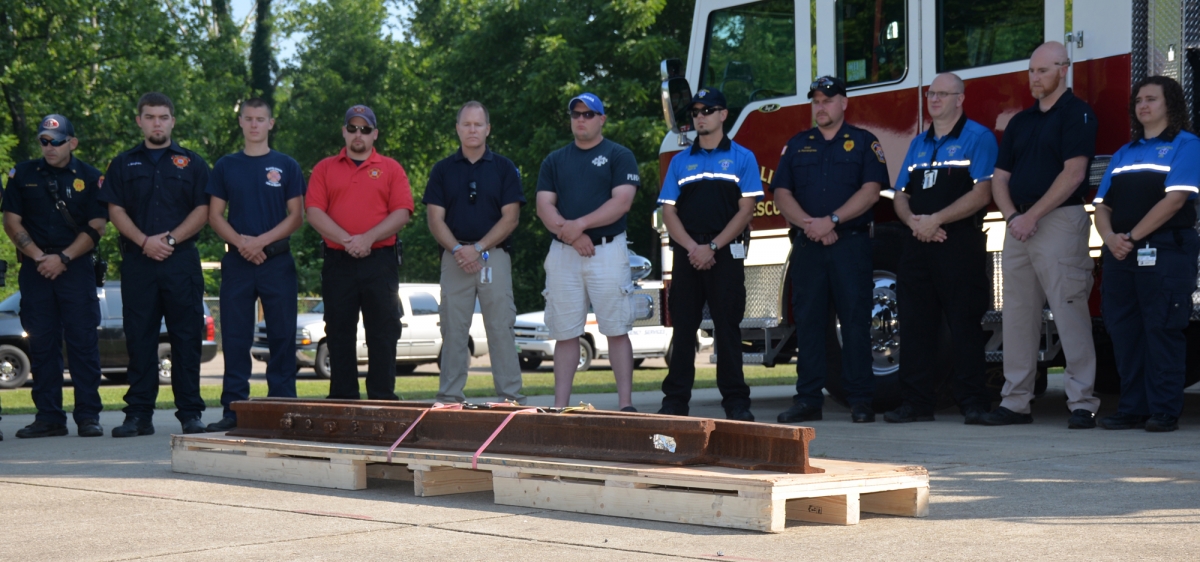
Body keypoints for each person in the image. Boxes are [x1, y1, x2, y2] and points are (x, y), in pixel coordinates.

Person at [986, 42, 1100, 428]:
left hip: (1059, 223)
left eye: (1043, 71)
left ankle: (1082, 403)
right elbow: (1000, 179)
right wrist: (1014, 216)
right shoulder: (1020, 122)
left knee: (1070, 312)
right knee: (1017, 316)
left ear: (1063, 70)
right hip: (1018, 226)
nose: (1035, 78)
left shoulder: (1078, 114)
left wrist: (1031, 215)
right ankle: (1015, 402)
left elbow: (1073, 174)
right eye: (1031, 71)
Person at [770, 76, 889, 424]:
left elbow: (871, 191)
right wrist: (812, 224)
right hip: (808, 245)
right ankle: (808, 399)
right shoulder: (797, 145)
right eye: (816, 101)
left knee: (854, 322)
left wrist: (832, 220)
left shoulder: (865, 142)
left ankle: (861, 400)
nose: (820, 107)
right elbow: (781, 194)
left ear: (843, 103)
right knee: (809, 324)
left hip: (850, 244)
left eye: (827, 100)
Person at [885, 73, 997, 424]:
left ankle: (973, 403)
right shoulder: (918, 143)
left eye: (942, 94)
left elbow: (982, 193)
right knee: (916, 326)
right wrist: (915, 223)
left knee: (964, 325)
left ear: (960, 99)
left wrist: (937, 220)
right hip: (918, 243)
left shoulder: (978, 138)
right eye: (931, 94)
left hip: (959, 242)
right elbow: (901, 194)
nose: (934, 100)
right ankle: (916, 404)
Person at [100, 93, 211, 437]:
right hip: (138, 263)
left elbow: (203, 210)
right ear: (139, 121)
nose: (157, 123)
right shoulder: (122, 163)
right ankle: (138, 415)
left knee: (187, 339)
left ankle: (190, 413)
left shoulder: (192, 163)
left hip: (181, 264)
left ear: (173, 121)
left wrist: (170, 240)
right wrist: (145, 241)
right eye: (150, 117)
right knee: (140, 339)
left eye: (163, 117)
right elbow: (114, 210)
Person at [1093, 76, 1199, 433]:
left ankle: (1165, 410)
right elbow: (1103, 206)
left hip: (1166, 250)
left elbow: (1175, 200)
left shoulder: (1187, 145)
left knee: (1162, 329)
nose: (1143, 106)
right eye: (1138, 100)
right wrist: (1110, 239)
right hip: (1122, 255)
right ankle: (1132, 407)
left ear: (1170, 104)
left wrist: (1132, 237)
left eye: (1151, 99)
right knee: (1125, 332)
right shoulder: (1125, 153)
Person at [656, 88, 760, 421]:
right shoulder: (679, 161)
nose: (699, 116)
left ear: (723, 115)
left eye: (707, 110)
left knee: (728, 329)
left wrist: (713, 247)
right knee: (683, 329)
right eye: (695, 111)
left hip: (725, 254)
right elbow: (668, 212)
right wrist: (693, 248)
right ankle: (675, 401)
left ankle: (736, 403)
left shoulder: (743, 157)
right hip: (688, 255)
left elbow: (746, 210)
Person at [1, 114, 106, 438]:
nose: (49, 146)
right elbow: (11, 220)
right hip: (36, 269)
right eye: (44, 140)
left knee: (83, 344)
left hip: (75, 268)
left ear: (72, 143)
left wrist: (62, 258)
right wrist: (39, 257)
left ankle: (88, 416)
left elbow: (98, 225)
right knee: (43, 345)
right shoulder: (23, 174)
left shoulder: (89, 177)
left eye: (56, 141)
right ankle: (49, 417)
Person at [204, 98, 306, 432]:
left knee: (281, 335)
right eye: (248, 119)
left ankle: (282, 407)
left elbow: (297, 216)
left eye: (260, 119)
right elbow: (214, 214)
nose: (254, 124)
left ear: (271, 123)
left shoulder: (286, 165)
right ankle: (234, 408)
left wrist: (259, 242)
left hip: (276, 261)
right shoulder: (226, 166)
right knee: (234, 337)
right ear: (241, 123)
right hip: (237, 261)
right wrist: (241, 243)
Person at [535, 92, 640, 411]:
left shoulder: (619, 155)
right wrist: (570, 235)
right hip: (564, 253)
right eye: (576, 114)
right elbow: (543, 206)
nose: (581, 119)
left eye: (588, 114)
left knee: (616, 328)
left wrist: (577, 225)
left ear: (602, 119)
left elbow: (622, 202)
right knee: (565, 332)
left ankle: (625, 405)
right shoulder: (554, 159)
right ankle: (559, 407)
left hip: (608, 251)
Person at [306, 104, 413, 401]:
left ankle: (381, 397)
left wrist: (367, 239)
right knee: (339, 331)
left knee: (383, 330)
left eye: (365, 129)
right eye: (352, 128)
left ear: (374, 134)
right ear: (343, 131)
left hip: (380, 261)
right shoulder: (325, 168)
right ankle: (343, 398)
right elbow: (314, 212)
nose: (358, 134)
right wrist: (347, 240)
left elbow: (402, 212)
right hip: (338, 262)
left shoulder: (391, 168)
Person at [426, 101, 526, 405]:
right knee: (454, 330)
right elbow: (434, 219)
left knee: (500, 327)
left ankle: (510, 398)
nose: (472, 130)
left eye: (478, 124)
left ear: (488, 129)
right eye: (466, 124)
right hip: (454, 256)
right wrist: (459, 249)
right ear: (457, 128)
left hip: (492, 255)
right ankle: (449, 398)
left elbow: (511, 217)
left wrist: (478, 248)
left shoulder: (504, 168)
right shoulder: (443, 169)